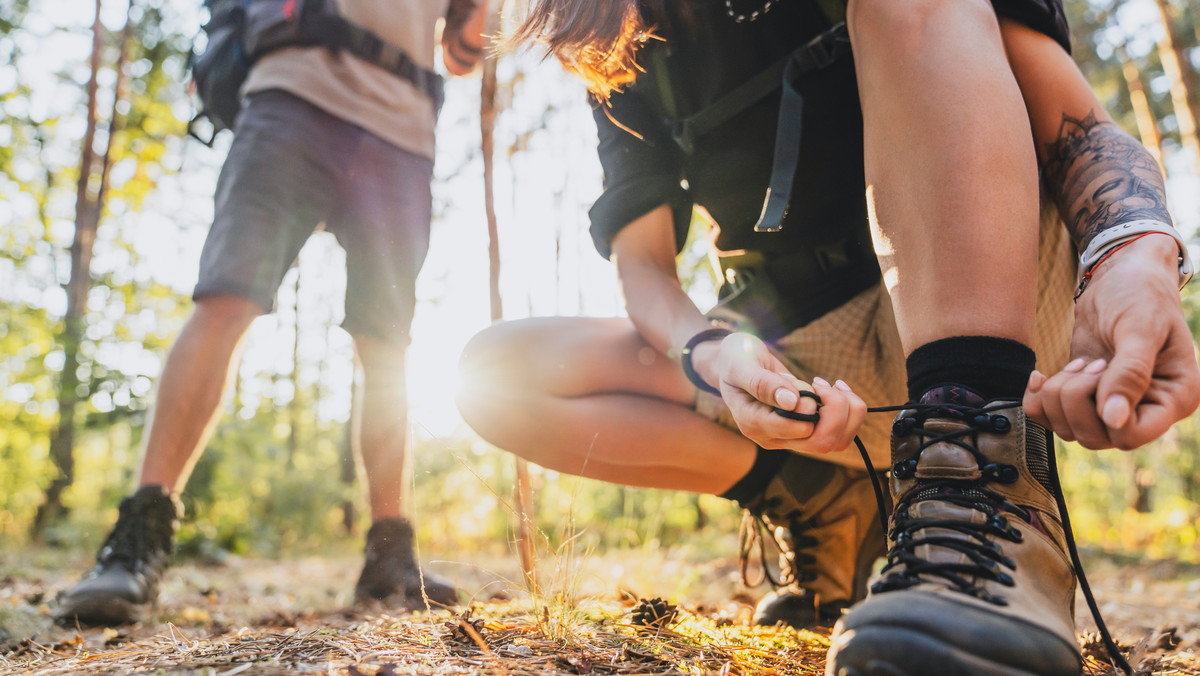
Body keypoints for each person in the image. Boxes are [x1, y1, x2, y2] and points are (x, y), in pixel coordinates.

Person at [455, 0, 1200, 672]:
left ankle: (983, 488)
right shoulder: (622, 32)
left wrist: (1132, 254)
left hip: (1008, 296)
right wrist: (712, 352)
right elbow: (643, 269)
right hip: (805, 350)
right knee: (496, 375)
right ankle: (823, 503)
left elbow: (1079, 128)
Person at [56, 0, 488, 626]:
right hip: (294, 92)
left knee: (387, 343)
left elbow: (461, 52)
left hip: (404, 128)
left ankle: (391, 553)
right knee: (226, 297)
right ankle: (140, 536)